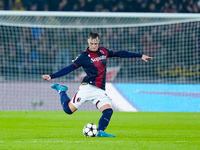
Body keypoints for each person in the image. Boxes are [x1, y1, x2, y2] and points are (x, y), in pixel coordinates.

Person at [42, 32, 153, 137]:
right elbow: (69, 68)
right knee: (68, 110)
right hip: (87, 87)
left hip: (100, 89)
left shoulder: (103, 51)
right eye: (92, 43)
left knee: (108, 111)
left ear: (98, 42)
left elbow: (120, 53)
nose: (94, 45)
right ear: (88, 42)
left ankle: (100, 132)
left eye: (96, 43)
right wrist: (52, 76)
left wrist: (140, 55)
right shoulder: (83, 56)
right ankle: (61, 90)